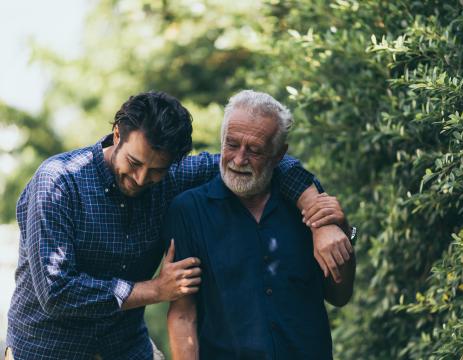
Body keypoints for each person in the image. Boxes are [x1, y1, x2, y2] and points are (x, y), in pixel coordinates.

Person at [5, 91, 350, 359]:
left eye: (155, 170)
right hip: (47, 350)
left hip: (125, 351)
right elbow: (56, 292)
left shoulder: (172, 177)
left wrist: (320, 217)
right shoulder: (58, 183)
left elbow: (270, 163)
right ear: (116, 135)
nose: (141, 179)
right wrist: (156, 290)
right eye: (134, 162)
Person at [166, 90, 356, 359]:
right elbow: (184, 314)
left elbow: (339, 296)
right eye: (231, 145)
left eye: (254, 150)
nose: (239, 160)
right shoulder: (188, 210)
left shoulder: (307, 203)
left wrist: (343, 232)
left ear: (279, 155)